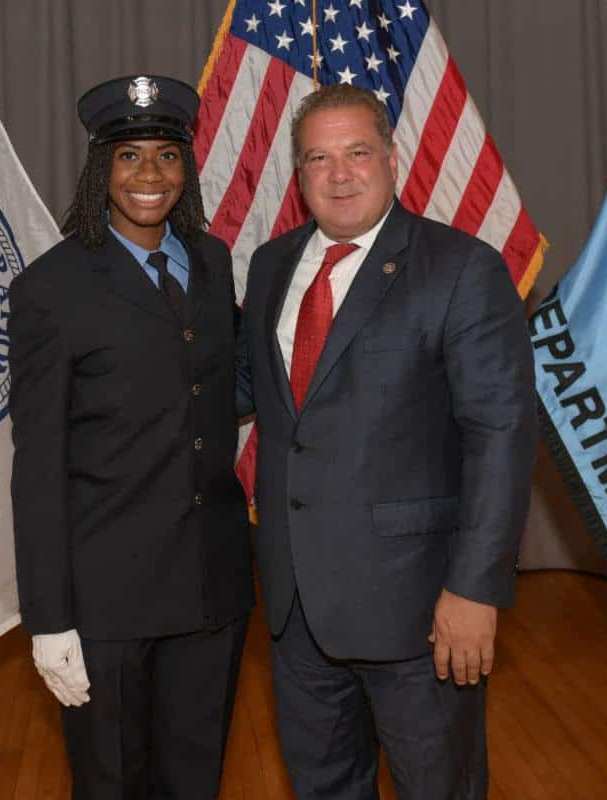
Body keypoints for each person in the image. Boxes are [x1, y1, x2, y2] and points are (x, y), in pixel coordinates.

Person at [237, 84, 537, 799]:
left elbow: (499, 434)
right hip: (296, 609)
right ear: (298, 172)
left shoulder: (461, 268)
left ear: (393, 159)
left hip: (420, 611)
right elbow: (250, 394)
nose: (339, 174)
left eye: (357, 152)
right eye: (318, 158)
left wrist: (473, 588)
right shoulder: (272, 265)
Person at [8, 74, 253, 799]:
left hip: (213, 587)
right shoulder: (51, 288)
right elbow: (39, 464)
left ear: (186, 167)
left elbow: (211, 390)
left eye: (168, 155)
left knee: (194, 780)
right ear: (99, 170)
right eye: (129, 155)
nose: (151, 173)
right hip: (106, 600)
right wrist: (49, 618)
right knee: (113, 782)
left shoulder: (211, 263)